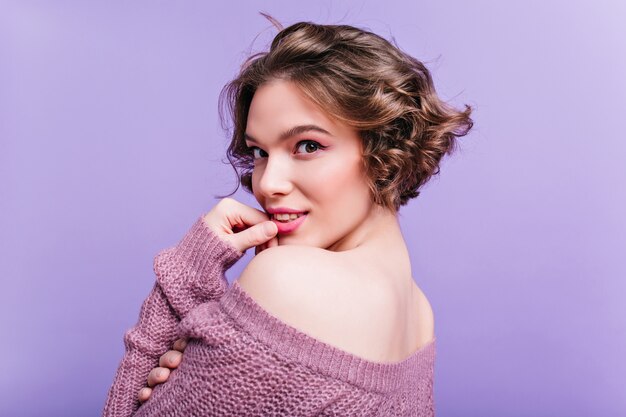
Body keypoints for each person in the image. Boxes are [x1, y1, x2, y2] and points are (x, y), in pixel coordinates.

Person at [102, 16, 473, 417]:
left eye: (307, 145)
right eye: (260, 152)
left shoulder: (287, 278)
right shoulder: (418, 316)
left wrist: (190, 270)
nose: (267, 183)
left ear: (385, 150)